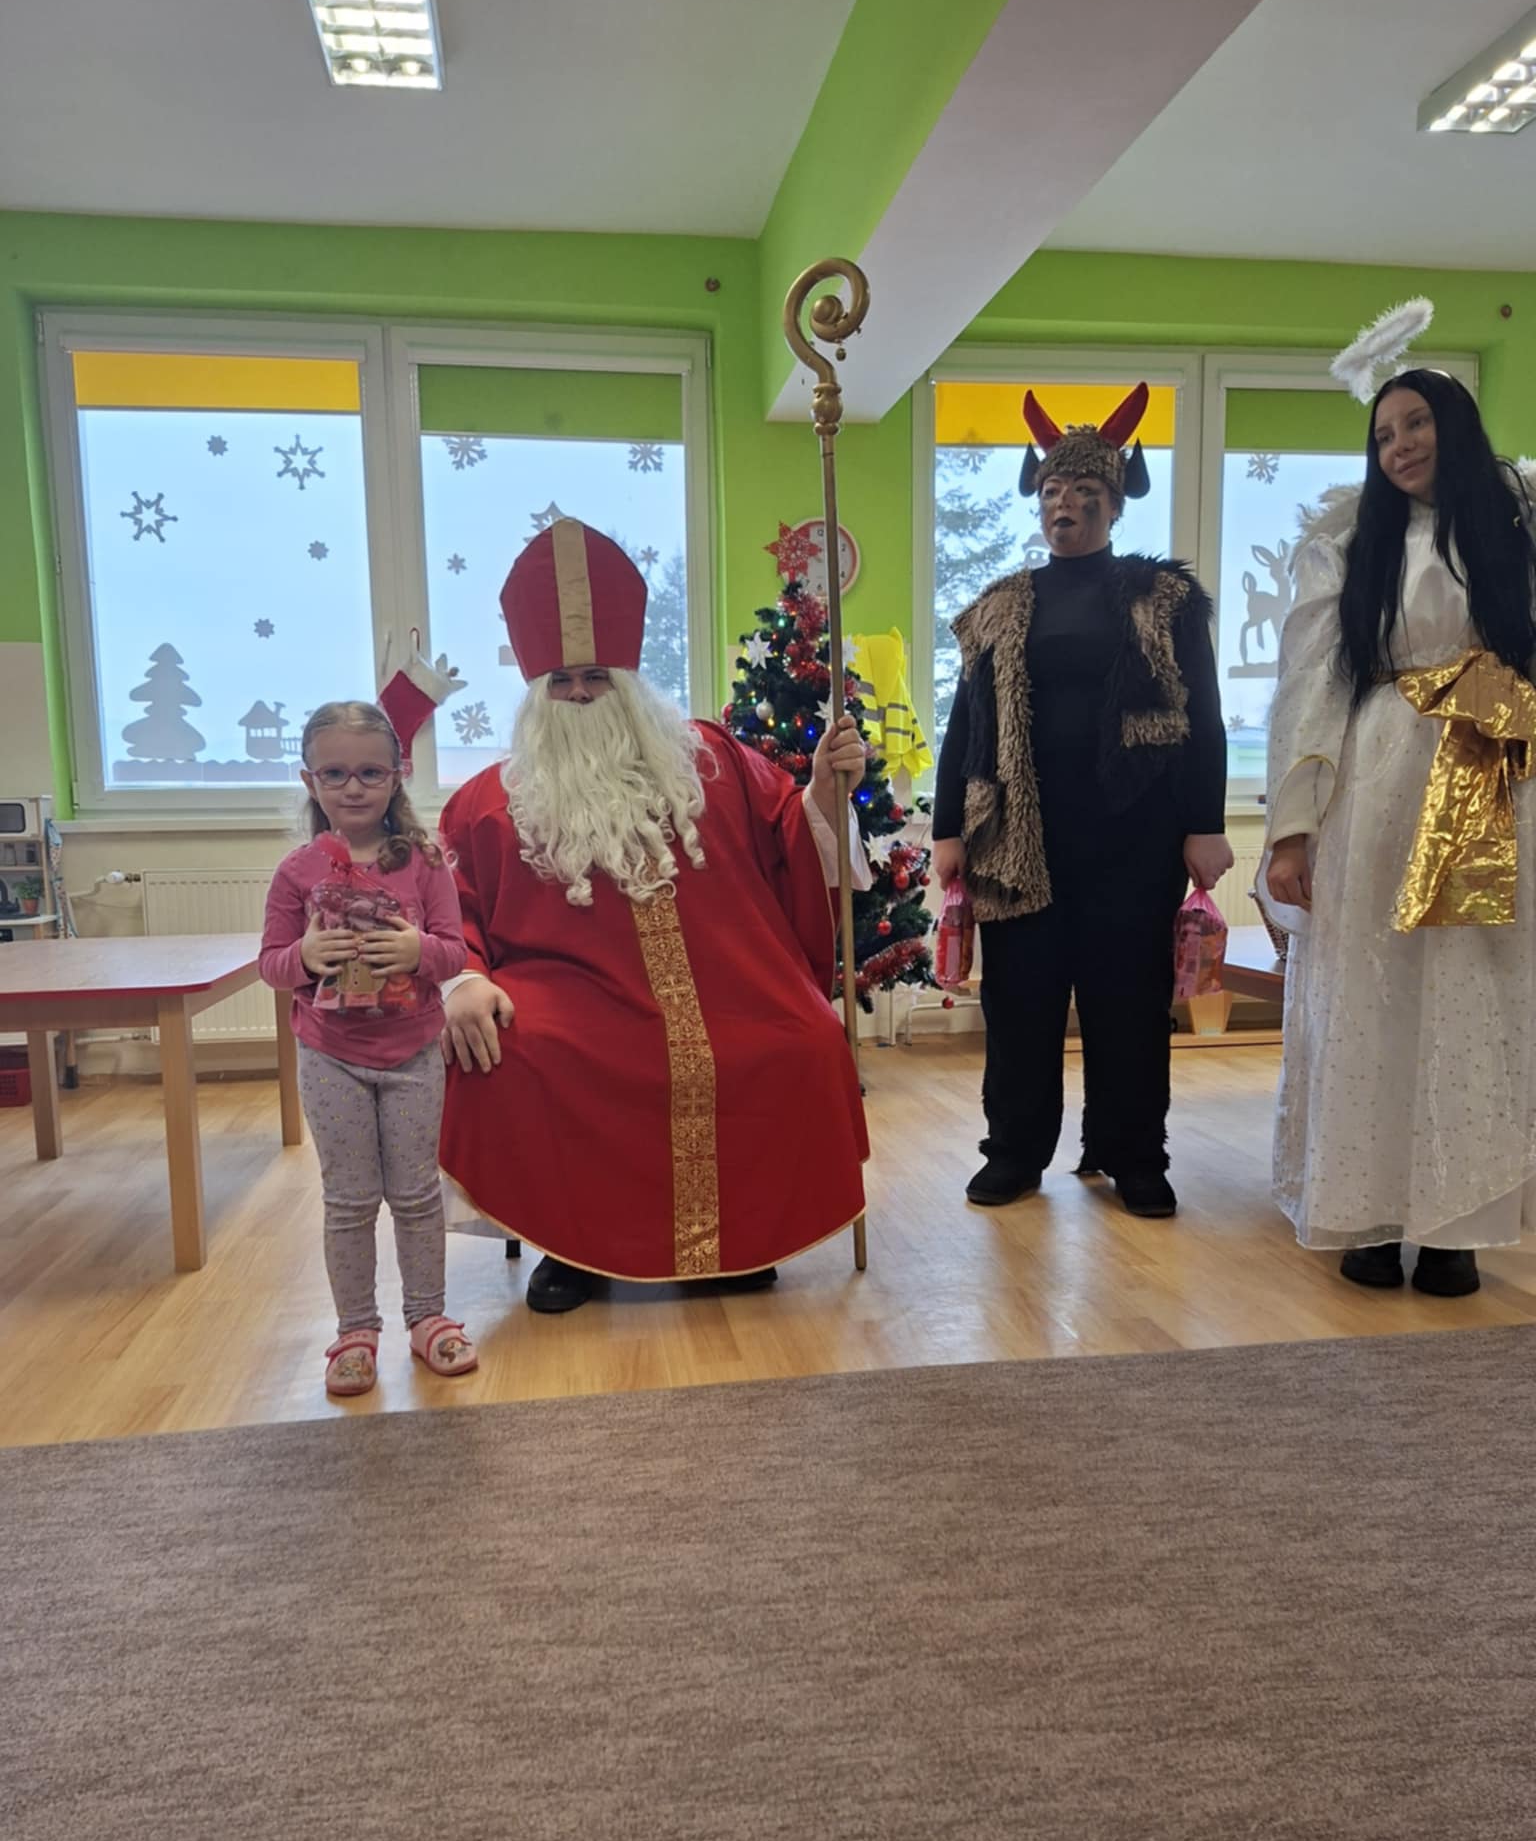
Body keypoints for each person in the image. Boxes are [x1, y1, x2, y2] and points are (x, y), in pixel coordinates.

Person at [438, 518, 871, 1312]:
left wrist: (821, 788)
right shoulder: (487, 803)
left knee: (803, 1039)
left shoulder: (710, 760)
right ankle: (569, 1248)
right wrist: (464, 978)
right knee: (520, 1056)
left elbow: (791, 834)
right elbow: (449, 912)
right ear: (536, 691)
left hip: (731, 986)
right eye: (560, 680)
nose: (578, 694)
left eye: (594, 677)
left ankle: (744, 1239)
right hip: (569, 1001)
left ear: (628, 681)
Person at [1263, 367, 1536, 1296]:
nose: (1401, 446)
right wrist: (1293, 829)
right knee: (1369, 991)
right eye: (1383, 435)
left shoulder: (1516, 531)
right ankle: (1368, 1213)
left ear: (1455, 425)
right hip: (1377, 784)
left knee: (1472, 991)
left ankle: (1456, 1224)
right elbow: (1310, 684)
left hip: (1491, 769)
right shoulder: (1347, 546)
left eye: (1416, 424)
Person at [931, 385, 1232, 1218]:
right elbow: (966, 723)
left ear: (1115, 502)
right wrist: (947, 830)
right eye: (1053, 490)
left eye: (1084, 491)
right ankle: (1014, 1154)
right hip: (1015, 841)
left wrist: (1205, 824)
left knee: (1127, 1006)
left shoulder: (1163, 599)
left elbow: (1203, 715)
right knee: (1020, 1006)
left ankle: (1133, 1156)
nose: (1064, 504)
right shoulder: (999, 605)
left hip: (1134, 838)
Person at [259, 700, 475, 1395]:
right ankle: (355, 1330)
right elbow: (270, 965)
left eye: (370, 773)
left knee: (416, 1195)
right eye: (335, 773)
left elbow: (455, 952)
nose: (353, 787)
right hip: (331, 1058)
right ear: (309, 780)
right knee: (350, 1200)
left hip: (412, 1054)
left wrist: (418, 950)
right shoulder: (297, 871)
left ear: (397, 774)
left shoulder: (424, 864)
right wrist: (305, 956)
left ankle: (428, 1318)